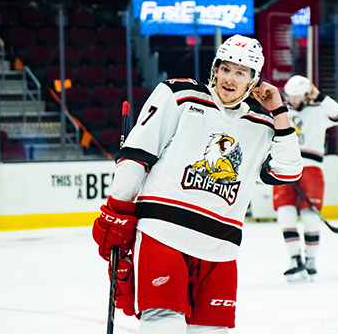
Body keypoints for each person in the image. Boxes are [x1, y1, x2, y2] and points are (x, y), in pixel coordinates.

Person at [92, 35, 303, 333]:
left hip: (221, 248)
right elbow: (136, 155)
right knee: (162, 322)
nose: (230, 78)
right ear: (214, 68)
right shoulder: (179, 95)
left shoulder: (262, 124)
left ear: (254, 81)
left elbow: (288, 172)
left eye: (241, 72)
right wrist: (118, 206)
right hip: (162, 235)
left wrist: (279, 111)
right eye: (225, 68)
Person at [272, 75, 338, 281]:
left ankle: (311, 259)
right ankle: (295, 259)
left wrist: (320, 97)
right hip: (284, 166)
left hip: (312, 167)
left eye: (297, 96)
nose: (293, 100)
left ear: (307, 94)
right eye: (291, 96)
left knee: (310, 217)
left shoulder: (319, 109)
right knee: (285, 214)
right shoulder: (282, 111)